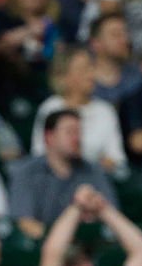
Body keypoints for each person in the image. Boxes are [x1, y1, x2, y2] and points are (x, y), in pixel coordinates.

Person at [7, 109, 119, 239]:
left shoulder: (92, 171)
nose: (77, 138)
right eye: (70, 132)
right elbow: (25, 222)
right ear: (49, 137)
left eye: (79, 132)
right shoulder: (27, 172)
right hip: (45, 249)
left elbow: (112, 216)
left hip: (90, 246)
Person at [30, 46, 127, 174]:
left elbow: (116, 159)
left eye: (92, 67)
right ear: (64, 77)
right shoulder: (50, 108)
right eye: (84, 69)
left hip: (97, 182)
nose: (92, 74)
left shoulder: (105, 111)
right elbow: (39, 154)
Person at [88, 11, 142, 107]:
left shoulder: (138, 77)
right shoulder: (85, 83)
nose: (124, 40)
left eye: (125, 34)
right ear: (95, 43)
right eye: (116, 35)